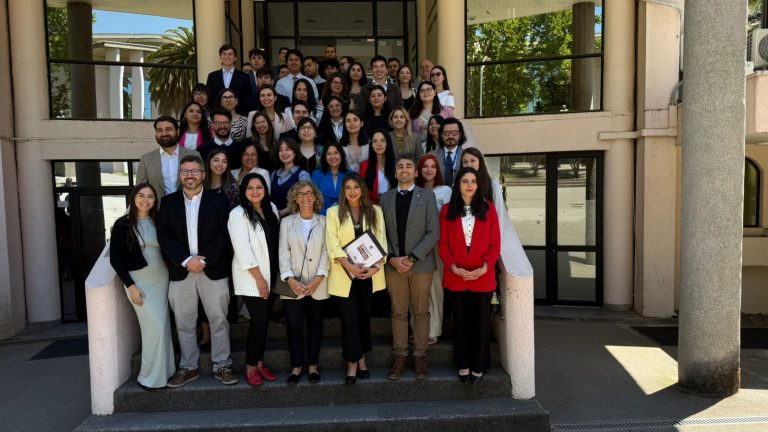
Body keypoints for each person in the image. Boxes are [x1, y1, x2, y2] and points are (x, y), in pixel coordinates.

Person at [157, 155, 237, 387]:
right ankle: (188, 368)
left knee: (219, 321)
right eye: (185, 171)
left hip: (213, 269)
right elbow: (164, 236)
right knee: (183, 323)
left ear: (203, 175)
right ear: (180, 175)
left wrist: (204, 260)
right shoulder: (168, 202)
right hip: (181, 272)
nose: (190, 175)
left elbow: (225, 234)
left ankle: (222, 365)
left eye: (194, 171)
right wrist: (185, 260)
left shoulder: (219, 201)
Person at [379, 155, 440, 380]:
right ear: (395, 173)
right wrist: (392, 258)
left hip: (421, 265)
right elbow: (379, 232)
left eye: (409, 166)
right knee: (398, 312)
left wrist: (411, 258)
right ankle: (400, 356)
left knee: (421, 311)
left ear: (416, 173)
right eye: (400, 166)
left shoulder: (428, 196)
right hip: (393, 265)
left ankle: (420, 356)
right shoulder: (384, 198)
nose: (404, 170)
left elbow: (434, 231)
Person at [109, 183, 175, 390]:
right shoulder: (123, 224)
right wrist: (130, 286)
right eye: (141, 195)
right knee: (154, 327)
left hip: (161, 279)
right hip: (139, 283)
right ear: (133, 198)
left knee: (163, 327)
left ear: (155, 201)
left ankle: (167, 371)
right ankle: (148, 377)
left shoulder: (159, 221)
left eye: (150, 197)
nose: (146, 200)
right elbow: (116, 259)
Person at [438, 167, 500, 384]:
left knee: (481, 324)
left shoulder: (489, 209)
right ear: (458, 185)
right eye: (465, 181)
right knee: (461, 324)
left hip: (482, 278)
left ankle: (479, 365)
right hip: (456, 277)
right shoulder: (447, 211)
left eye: (473, 181)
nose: (470, 185)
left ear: (478, 184)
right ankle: (463, 363)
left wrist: (485, 266)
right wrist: (453, 267)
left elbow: (495, 245)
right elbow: (443, 245)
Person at [325, 173, 387, 385]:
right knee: (349, 319)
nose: (352, 191)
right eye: (348, 187)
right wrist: (349, 265)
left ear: (362, 189)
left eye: (356, 187)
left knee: (362, 318)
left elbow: (382, 240)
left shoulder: (375, 211)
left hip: (369, 275)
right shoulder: (333, 212)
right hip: (344, 275)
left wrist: (375, 267)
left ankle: (362, 358)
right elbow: (331, 243)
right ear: (343, 191)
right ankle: (353, 362)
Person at [227, 173, 281, 386]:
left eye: (259, 187)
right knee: (258, 322)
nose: (255, 191)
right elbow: (243, 250)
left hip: (271, 276)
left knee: (264, 322)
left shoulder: (272, 209)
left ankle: (259, 364)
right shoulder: (238, 214)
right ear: (244, 190)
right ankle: (250, 367)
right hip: (253, 278)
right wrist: (259, 279)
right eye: (250, 188)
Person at [278, 181, 330, 384]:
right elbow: (283, 253)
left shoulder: (325, 221)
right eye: (301, 194)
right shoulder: (287, 222)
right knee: (294, 326)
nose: (305, 197)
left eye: (309, 193)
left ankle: (313, 365)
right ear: (295, 199)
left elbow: (327, 251)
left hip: (318, 283)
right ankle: (297, 365)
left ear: (316, 197)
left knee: (316, 325)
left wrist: (319, 278)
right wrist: (290, 279)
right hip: (294, 284)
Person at [460, 147, 533, 286]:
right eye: (465, 161)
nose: (468, 164)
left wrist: (491, 248)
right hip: (464, 247)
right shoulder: (457, 186)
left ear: (480, 162)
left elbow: (498, 217)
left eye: (472, 161)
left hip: (485, 247)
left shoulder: (492, 186)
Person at [415, 154, 452, 344]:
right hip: (416, 245)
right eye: (425, 166)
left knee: (435, 288)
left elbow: (450, 220)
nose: (429, 170)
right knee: (418, 290)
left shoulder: (445, 191)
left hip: (437, 245)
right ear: (419, 170)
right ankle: (417, 330)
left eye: (433, 166)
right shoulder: (414, 190)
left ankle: (434, 330)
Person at [136, 115, 200, 201]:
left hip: (189, 210)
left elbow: (202, 185)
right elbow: (140, 189)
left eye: (168, 129)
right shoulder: (146, 159)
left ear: (177, 131)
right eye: (160, 130)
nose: (164, 133)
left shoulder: (194, 155)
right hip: (158, 211)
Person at [206, 44, 251, 116]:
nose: (227, 56)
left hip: (238, 116)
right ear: (220, 57)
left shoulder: (244, 77)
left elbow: (247, 99)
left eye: (230, 54)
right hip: (217, 117)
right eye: (224, 54)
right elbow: (210, 98)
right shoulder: (212, 76)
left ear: (235, 58)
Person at [271, 137, 311, 218]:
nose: (284, 153)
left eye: (287, 149)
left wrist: (281, 213)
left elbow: (304, 199)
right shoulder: (274, 174)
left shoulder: (302, 174)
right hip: (274, 220)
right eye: (281, 150)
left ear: (295, 152)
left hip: (294, 220)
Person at [359, 129, 396, 204]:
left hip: (392, 206)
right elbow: (362, 192)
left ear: (387, 143)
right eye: (375, 141)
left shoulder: (396, 165)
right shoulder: (364, 166)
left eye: (382, 140)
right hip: (372, 207)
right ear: (371, 145)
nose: (379, 144)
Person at [311, 141, 348, 214]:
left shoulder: (350, 174)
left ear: (341, 155)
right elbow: (313, 200)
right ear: (324, 157)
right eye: (329, 154)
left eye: (335, 153)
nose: (332, 157)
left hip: (346, 217)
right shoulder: (316, 175)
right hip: (322, 217)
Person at [431, 117, 465, 187]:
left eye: (454, 133)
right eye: (446, 133)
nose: (450, 136)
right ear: (441, 135)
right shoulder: (431, 156)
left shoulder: (466, 156)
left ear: (460, 134)